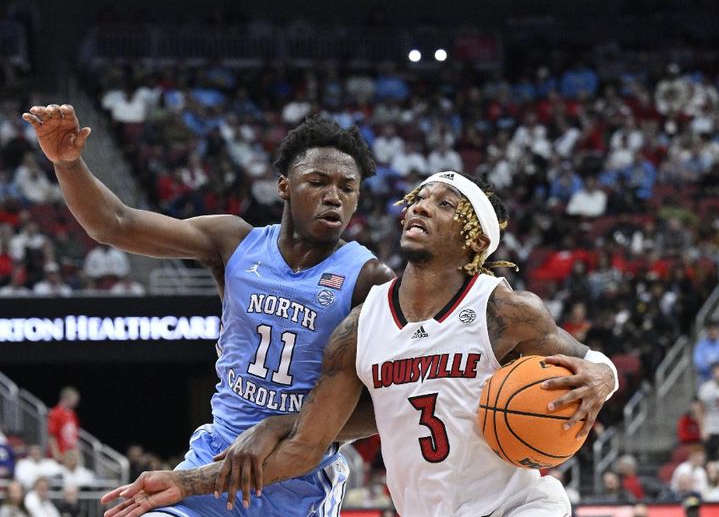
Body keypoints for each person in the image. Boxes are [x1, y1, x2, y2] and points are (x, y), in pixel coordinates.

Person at [102, 171, 618, 517]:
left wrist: (603, 374)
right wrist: (185, 483)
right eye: (417, 199)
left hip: (519, 507)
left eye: (444, 205)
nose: (420, 208)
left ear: (474, 241)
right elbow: (305, 449)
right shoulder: (359, 327)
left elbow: (590, 365)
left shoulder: (503, 310)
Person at [23, 104, 395, 516]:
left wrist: (287, 426)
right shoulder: (235, 241)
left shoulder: (368, 277)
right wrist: (69, 164)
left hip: (296, 475)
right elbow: (114, 223)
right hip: (216, 452)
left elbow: (387, 404)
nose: (333, 196)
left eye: (348, 187)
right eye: (318, 181)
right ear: (284, 187)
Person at [47, 386, 80, 462]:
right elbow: (52, 436)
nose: (76, 403)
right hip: (60, 454)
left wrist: (76, 452)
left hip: (71, 454)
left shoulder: (73, 415)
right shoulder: (55, 413)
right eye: (74, 400)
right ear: (66, 399)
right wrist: (56, 454)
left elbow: (75, 436)